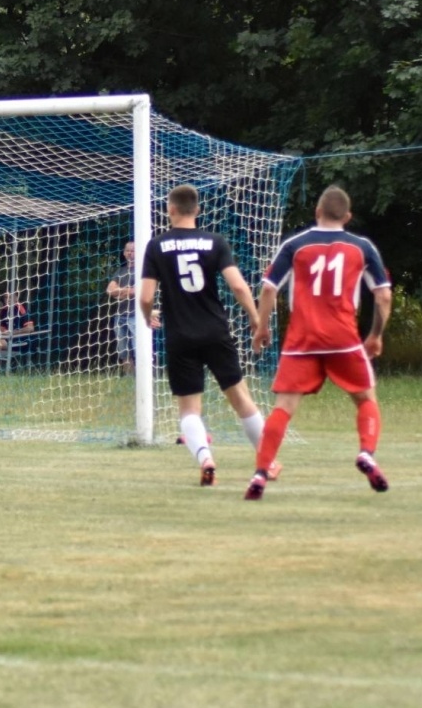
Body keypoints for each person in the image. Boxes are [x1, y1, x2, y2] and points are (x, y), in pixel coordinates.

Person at [248, 185, 393, 501]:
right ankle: (367, 452)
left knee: (283, 408)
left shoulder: (296, 245)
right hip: (343, 338)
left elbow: (270, 288)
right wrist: (375, 334)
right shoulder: (361, 247)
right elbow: (382, 295)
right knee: (365, 398)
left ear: (317, 211)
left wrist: (262, 327)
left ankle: (260, 472)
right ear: (348, 216)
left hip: (302, 339)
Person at [140, 184, 277, 486]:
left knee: (189, 409)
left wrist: (147, 314)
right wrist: (256, 320)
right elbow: (239, 286)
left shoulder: (156, 246)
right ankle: (267, 462)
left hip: (179, 335)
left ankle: (205, 458)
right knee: (241, 399)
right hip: (216, 331)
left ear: (170, 209)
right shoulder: (214, 242)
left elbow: (146, 295)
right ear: (198, 210)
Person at [105, 241, 137, 372]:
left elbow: (137, 291)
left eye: (133, 250)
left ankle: (142, 379)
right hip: (120, 314)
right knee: (123, 350)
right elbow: (109, 290)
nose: (130, 253)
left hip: (137, 315)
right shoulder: (120, 271)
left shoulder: (144, 270)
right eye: (128, 250)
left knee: (138, 349)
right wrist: (127, 291)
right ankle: (130, 379)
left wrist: (120, 291)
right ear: (124, 253)